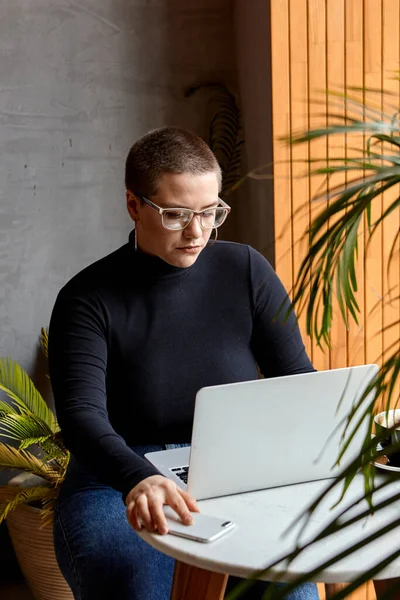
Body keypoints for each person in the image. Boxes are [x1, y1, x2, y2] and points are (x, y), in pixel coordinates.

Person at [48, 126, 319, 600]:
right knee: (135, 584)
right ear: (134, 205)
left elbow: (297, 382)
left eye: (211, 212)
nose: (198, 232)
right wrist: (139, 476)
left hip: (233, 472)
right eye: (176, 214)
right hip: (117, 479)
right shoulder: (87, 298)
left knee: (290, 591)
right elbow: (80, 417)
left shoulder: (246, 269)